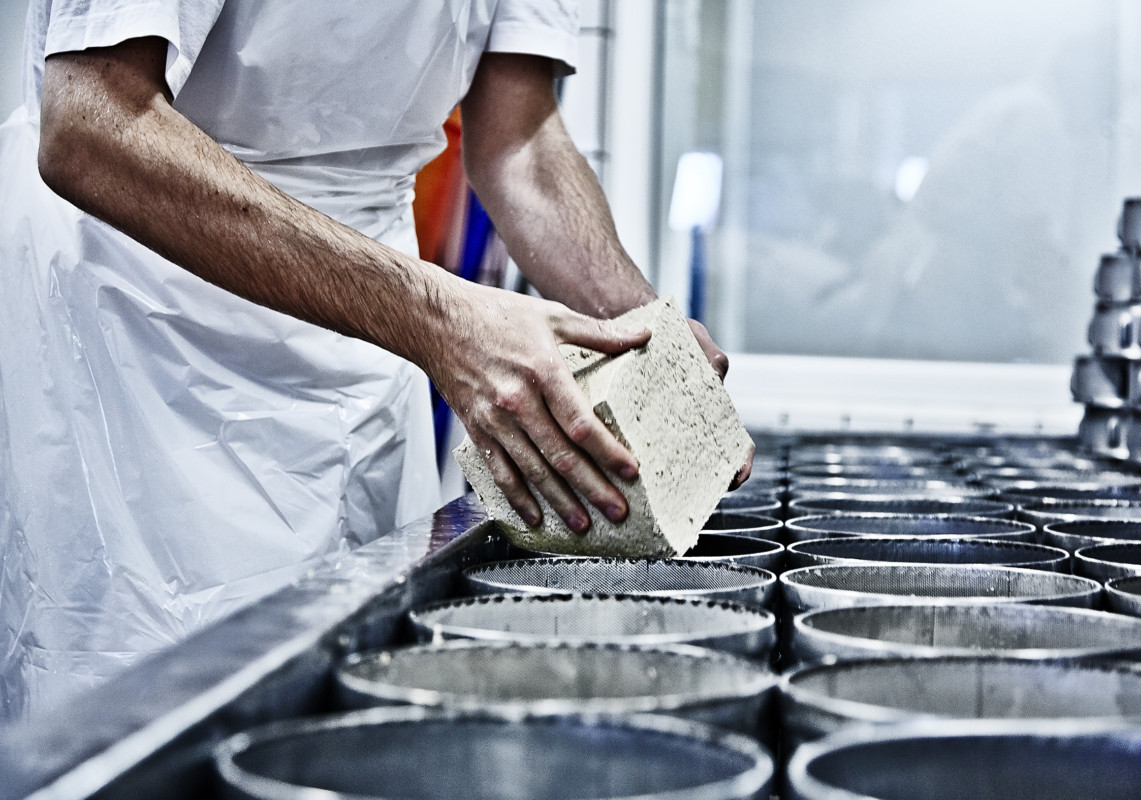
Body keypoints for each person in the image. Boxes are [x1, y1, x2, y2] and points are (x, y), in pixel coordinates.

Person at [0, 0, 744, 721]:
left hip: (370, 313)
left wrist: (643, 335)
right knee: (150, 702)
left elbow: (518, 140)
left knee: (352, 684)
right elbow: (92, 124)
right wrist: (439, 317)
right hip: (136, 323)